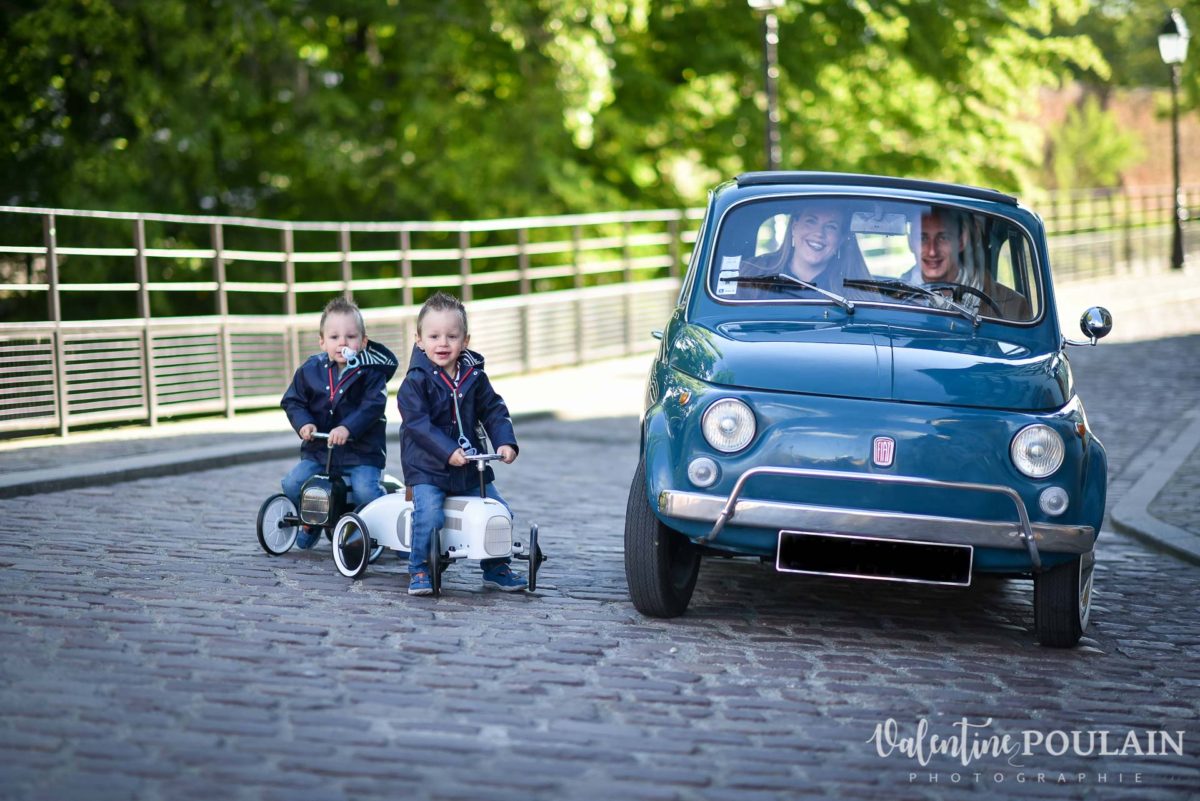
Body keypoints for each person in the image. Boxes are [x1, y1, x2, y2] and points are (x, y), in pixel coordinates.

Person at [396, 291, 524, 596]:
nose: (443, 343)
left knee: (499, 511)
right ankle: (419, 568)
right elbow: (417, 424)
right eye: (434, 336)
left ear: (465, 340)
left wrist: (505, 442)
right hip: (427, 467)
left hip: (468, 467)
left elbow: (493, 409)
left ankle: (496, 567)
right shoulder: (415, 381)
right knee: (429, 513)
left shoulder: (474, 376)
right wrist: (446, 451)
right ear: (419, 340)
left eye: (451, 336)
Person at [280, 296, 398, 549]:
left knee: (365, 490)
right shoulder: (310, 370)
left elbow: (373, 405)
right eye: (334, 337)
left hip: (362, 454)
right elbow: (294, 401)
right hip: (320, 453)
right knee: (292, 482)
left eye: (350, 337)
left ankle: (384, 527)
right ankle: (310, 520)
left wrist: (348, 428)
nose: (342, 342)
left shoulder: (371, 373)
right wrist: (305, 424)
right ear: (322, 342)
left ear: (363, 342)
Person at [901, 206, 1031, 320]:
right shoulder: (887, 297)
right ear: (910, 242)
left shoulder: (1013, 305)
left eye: (943, 238)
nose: (932, 251)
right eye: (922, 238)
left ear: (962, 240)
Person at [729, 202, 873, 300]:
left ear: (841, 240)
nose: (819, 233)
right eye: (811, 221)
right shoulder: (751, 273)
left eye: (831, 226)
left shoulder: (857, 290)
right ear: (794, 226)